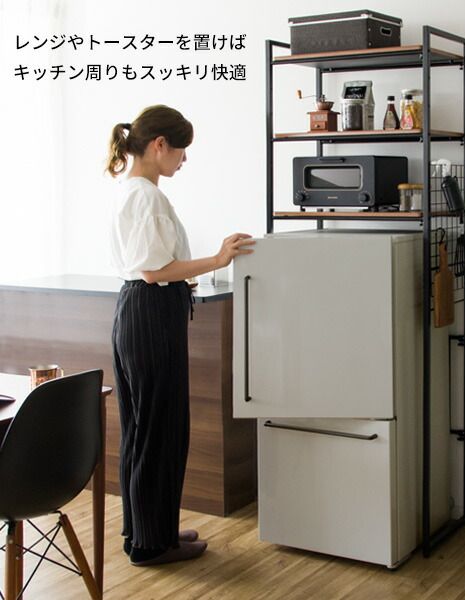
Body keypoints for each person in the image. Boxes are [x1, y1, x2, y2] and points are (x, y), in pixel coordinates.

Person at [106, 104, 254, 567]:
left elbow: (150, 268)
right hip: (151, 314)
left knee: (143, 429)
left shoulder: (133, 191)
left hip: (138, 312)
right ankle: (153, 544)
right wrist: (218, 259)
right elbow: (155, 270)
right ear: (159, 145)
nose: (184, 159)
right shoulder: (147, 197)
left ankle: (148, 531)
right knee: (160, 430)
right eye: (181, 150)